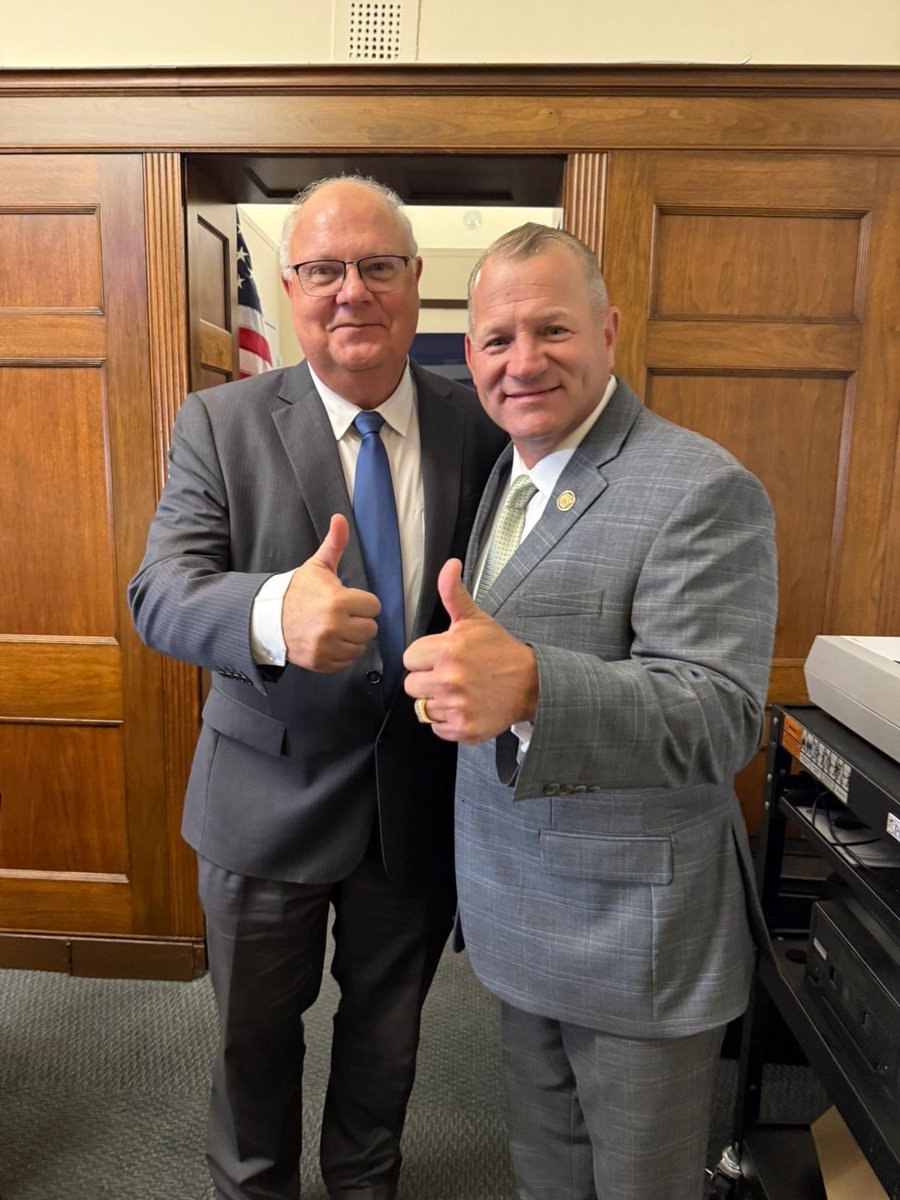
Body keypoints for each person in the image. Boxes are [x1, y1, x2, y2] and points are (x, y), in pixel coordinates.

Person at [128, 176, 505, 1200]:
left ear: (417, 284)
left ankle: (363, 1187)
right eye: (324, 269)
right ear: (290, 286)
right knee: (254, 1046)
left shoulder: (481, 427)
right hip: (263, 807)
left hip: (415, 806)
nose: (353, 291)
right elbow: (159, 594)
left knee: (388, 1042)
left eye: (378, 266)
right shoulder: (220, 421)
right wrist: (270, 617)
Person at [403, 223, 778, 1200]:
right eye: (495, 339)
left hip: (633, 939)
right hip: (516, 909)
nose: (522, 362)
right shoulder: (502, 469)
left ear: (609, 330)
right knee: (546, 1171)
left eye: (552, 330)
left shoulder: (700, 486)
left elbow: (720, 713)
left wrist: (529, 685)